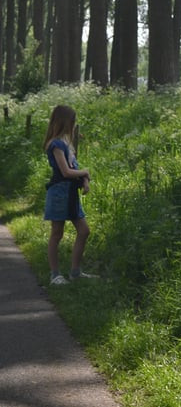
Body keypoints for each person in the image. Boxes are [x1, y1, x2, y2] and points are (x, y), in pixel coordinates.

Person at [43, 105, 96, 285]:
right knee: (57, 233)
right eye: (72, 121)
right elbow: (66, 172)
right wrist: (85, 172)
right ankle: (55, 275)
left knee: (84, 231)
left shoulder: (68, 144)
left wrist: (85, 179)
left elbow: (76, 167)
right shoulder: (56, 144)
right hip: (59, 193)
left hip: (71, 194)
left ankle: (75, 272)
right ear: (65, 122)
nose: (74, 125)